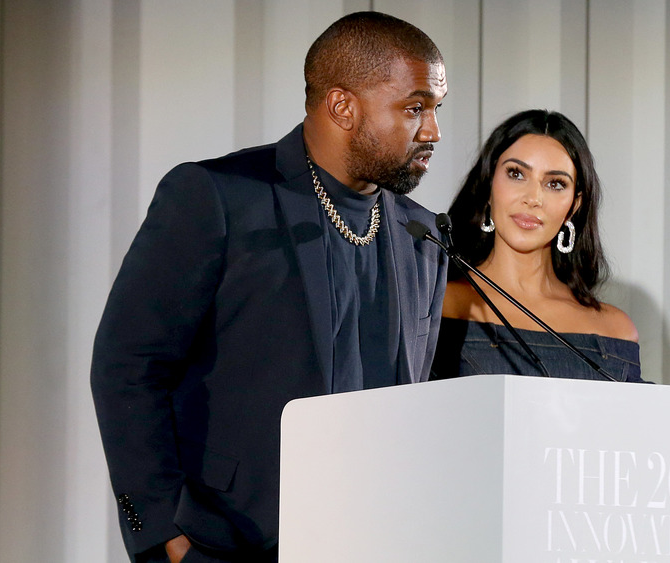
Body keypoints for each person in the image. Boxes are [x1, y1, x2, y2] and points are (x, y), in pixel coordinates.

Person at [91, 12, 448, 563]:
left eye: (435, 110)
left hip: (375, 540)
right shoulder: (217, 196)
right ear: (342, 106)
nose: (433, 131)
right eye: (415, 107)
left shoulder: (421, 233)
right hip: (227, 541)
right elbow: (128, 364)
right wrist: (163, 534)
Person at [431, 109, 642, 383]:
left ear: (573, 207)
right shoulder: (438, 304)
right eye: (516, 174)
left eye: (555, 183)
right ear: (488, 185)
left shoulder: (616, 330)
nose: (533, 198)